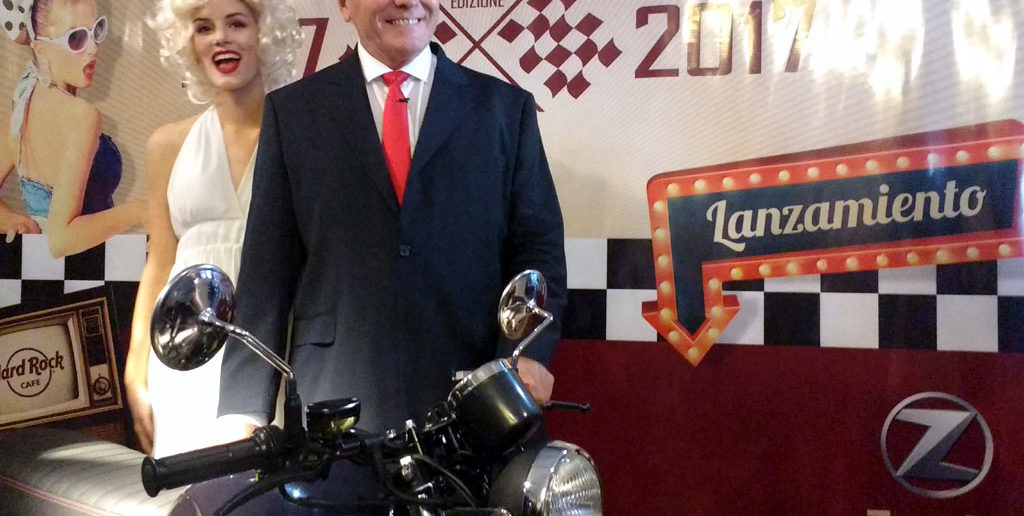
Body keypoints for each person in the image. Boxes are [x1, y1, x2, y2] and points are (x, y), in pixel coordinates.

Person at [219, 0, 567, 441]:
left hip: (477, 395)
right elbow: (266, 271)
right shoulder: (294, 112)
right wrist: (242, 407)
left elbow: (537, 249)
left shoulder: (504, 110)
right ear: (344, 6)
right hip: (336, 403)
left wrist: (525, 352)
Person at [124, 0, 302, 458]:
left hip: (275, 348)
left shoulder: (306, 136)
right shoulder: (167, 144)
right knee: (192, 487)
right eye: (204, 28)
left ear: (264, 33)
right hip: (188, 353)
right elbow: (160, 263)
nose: (220, 38)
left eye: (236, 23)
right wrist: (136, 366)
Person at [0, 0, 145, 254]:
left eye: (97, 31)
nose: (93, 48)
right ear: (41, 50)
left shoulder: (19, 113)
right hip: (85, 265)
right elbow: (61, 241)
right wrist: (143, 209)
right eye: (76, 38)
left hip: (40, 267)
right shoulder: (82, 116)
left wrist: (10, 219)